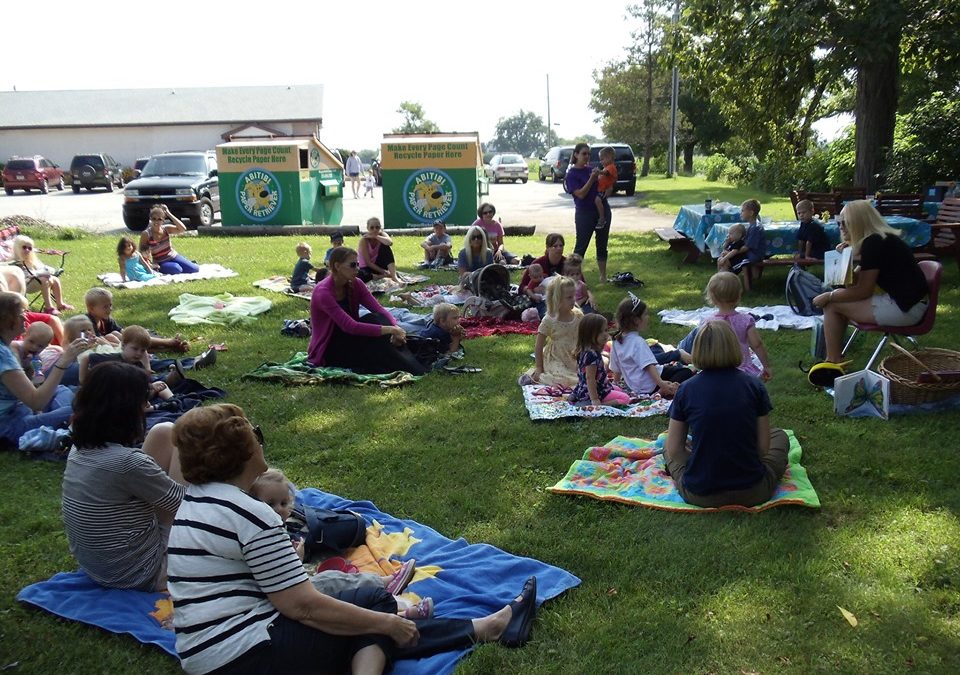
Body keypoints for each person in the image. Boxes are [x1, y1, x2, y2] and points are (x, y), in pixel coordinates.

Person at [167, 403, 538, 675]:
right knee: (374, 612)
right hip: (245, 654)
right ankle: (487, 627)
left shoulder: (196, 502)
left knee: (369, 598)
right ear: (244, 451)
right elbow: (303, 607)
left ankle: (484, 627)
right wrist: (385, 625)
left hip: (207, 650)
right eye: (256, 434)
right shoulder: (251, 514)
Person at [249, 468, 434, 620]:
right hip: (288, 597)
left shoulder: (281, 528)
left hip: (292, 592)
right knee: (332, 581)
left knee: (337, 584)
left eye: (283, 503)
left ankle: (400, 607)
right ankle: (389, 592)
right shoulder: (260, 535)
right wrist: (298, 559)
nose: (279, 509)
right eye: (271, 504)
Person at [61, 361, 184, 589]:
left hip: (102, 568)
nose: (147, 406)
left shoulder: (80, 449)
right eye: (143, 401)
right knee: (187, 445)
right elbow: (189, 507)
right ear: (126, 410)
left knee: (164, 431)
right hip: (144, 573)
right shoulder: (127, 463)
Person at [664, 320, 789, 508]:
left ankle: (703, 461)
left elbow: (674, 450)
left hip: (700, 493)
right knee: (779, 436)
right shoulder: (754, 385)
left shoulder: (687, 389)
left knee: (669, 446)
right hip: (752, 490)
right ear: (734, 347)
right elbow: (763, 450)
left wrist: (703, 464)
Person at [812, 199, 928, 364]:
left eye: (845, 223)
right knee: (837, 301)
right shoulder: (878, 239)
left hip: (906, 308)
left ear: (858, 222)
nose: (841, 227)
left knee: (832, 305)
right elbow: (853, 285)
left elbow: (862, 291)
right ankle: (834, 359)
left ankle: (832, 361)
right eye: (839, 222)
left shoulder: (874, 243)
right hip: (909, 303)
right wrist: (847, 260)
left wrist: (830, 296)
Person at [308, 247, 426, 375]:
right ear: (337, 266)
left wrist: (395, 328)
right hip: (330, 348)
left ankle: (410, 365)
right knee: (377, 330)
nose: (357, 269)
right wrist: (391, 330)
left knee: (376, 319)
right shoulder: (323, 292)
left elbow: (378, 309)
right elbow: (350, 326)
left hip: (350, 339)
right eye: (353, 265)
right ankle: (414, 368)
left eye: (358, 264)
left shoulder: (356, 283)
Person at [0, 291, 88, 446]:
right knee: (82, 409)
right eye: (21, 313)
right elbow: (37, 402)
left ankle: (61, 421)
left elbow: (34, 386)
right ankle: (65, 423)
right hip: (7, 425)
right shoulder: (4, 356)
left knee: (60, 390)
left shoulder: (5, 348)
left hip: (18, 409)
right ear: (7, 320)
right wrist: (63, 361)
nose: (25, 317)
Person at [609, 295, 694, 398]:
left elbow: (616, 369)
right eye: (645, 314)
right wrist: (661, 383)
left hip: (636, 386)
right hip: (652, 384)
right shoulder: (638, 342)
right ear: (636, 320)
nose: (648, 317)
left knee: (671, 367)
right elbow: (649, 366)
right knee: (685, 372)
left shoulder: (616, 342)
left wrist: (616, 384)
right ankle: (664, 391)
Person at [699, 272, 772, 380]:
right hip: (742, 370)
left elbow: (703, 348)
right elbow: (757, 344)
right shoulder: (745, 320)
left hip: (716, 371)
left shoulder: (708, 322)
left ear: (712, 297)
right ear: (738, 295)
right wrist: (766, 366)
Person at [84, 287, 190, 353]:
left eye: (110, 305)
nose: (110, 309)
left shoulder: (106, 319)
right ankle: (169, 344)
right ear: (92, 309)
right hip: (98, 350)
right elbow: (97, 343)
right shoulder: (87, 322)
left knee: (124, 336)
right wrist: (124, 348)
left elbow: (125, 334)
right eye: (105, 307)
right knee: (115, 337)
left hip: (114, 346)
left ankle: (169, 345)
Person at [521, 276, 582, 387]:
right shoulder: (550, 320)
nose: (573, 300)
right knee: (561, 379)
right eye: (569, 297)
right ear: (557, 299)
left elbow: (585, 335)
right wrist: (539, 367)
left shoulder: (578, 316)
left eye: (574, 296)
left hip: (575, 355)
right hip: (557, 357)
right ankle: (533, 375)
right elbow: (538, 346)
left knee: (589, 373)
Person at [564, 143, 608, 282]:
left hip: (602, 210)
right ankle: (573, 277)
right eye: (584, 153)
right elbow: (581, 194)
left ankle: (603, 276)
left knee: (602, 244)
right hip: (584, 213)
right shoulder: (571, 174)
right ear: (576, 155)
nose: (587, 156)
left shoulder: (592, 169)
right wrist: (591, 179)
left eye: (589, 154)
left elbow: (606, 182)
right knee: (581, 246)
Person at [569, 313, 630, 406]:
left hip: (592, 386)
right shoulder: (591, 355)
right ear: (589, 334)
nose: (605, 334)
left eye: (606, 330)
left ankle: (579, 396)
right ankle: (598, 405)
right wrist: (595, 399)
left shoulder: (584, 350)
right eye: (601, 332)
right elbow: (590, 378)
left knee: (618, 389)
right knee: (625, 398)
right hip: (595, 391)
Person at [12, 235, 73, 314]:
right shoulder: (16, 263)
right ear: (17, 248)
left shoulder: (32, 260)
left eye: (30, 248)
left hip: (35, 281)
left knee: (55, 279)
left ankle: (60, 304)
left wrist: (40, 273)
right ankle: (49, 307)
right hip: (24, 286)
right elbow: (27, 276)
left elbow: (49, 269)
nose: (27, 250)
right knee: (44, 280)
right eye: (24, 247)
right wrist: (42, 273)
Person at [139, 204, 200, 275]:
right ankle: (158, 268)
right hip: (161, 261)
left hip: (173, 256)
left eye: (159, 219)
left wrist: (168, 213)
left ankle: (184, 261)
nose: (156, 221)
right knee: (177, 269)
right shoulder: (146, 234)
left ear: (163, 220)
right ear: (150, 219)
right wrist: (149, 264)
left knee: (195, 269)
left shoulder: (166, 229)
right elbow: (141, 251)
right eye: (154, 219)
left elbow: (183, 229)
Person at [718, 199, 765, 276]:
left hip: (753, 256)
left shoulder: (755, 228)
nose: (741, 213)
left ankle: (725, 281)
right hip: (749, 254)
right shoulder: (753, 225)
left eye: (743, 211)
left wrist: (731, 253)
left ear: (751, 213)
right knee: (724, 258)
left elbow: (746, 248)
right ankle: (722, 280)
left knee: (726, 261)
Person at [358, 217, 400, 283]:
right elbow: (368, 263)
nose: (375, 230)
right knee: (362, 275)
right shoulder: (364, 240)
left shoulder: (382, 235)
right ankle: (383, 275)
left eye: (377, 227)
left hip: (378, 264)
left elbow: (390, 243)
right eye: (372, 228)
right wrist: (384, 271)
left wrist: (376, 236)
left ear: (380, 228)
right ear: (368, 228)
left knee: (385, 246)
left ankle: (394, 276)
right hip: (367, 267)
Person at [594, 147, 617, 229]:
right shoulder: (607, 167)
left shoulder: (611, 167)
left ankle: (602, 218)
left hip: (604, 190)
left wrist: (598, 172)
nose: (601, 161)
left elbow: (606, 173)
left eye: (602, 159)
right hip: (601, 188)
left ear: (609, 157)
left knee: (597, 200)